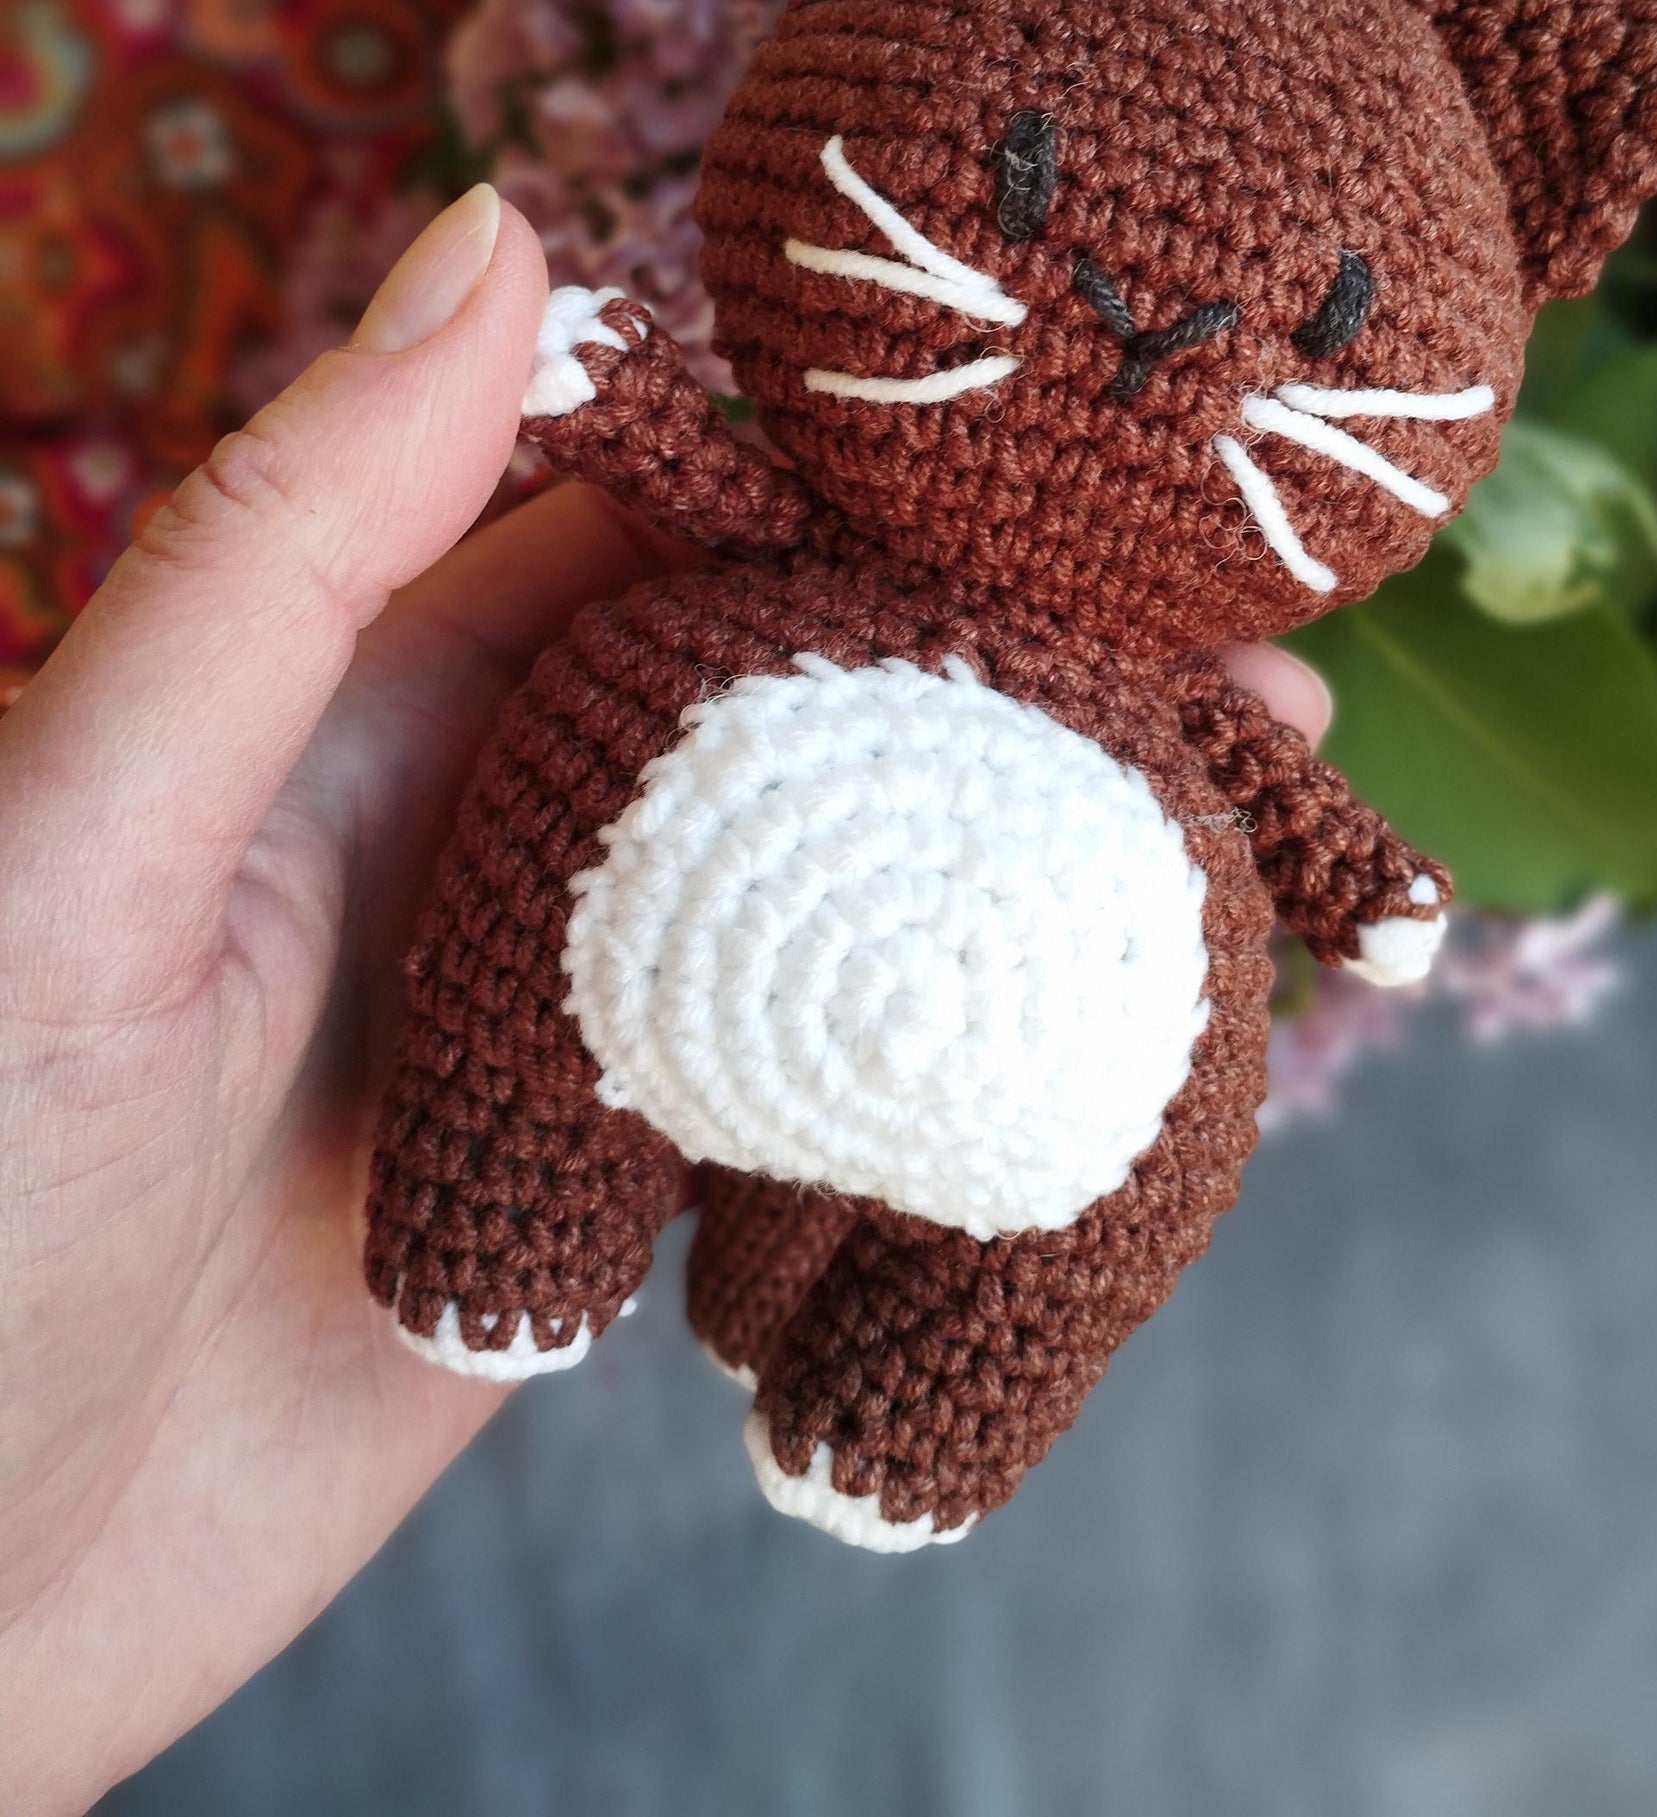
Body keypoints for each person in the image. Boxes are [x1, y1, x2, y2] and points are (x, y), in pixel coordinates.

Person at [0, 187, 1332, 1807]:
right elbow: (696, 478)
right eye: (1035, 189)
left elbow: (1260, 768)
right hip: (712, 897)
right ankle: (519, 1224)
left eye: (1321, 324)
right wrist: (619, 399)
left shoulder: (1174, 700)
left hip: (1022, 970)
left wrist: (1351, 865)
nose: (1150, 329)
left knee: (1049, 1227)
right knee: (531, 1007)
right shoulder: (805, 539)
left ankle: (888, 1396)